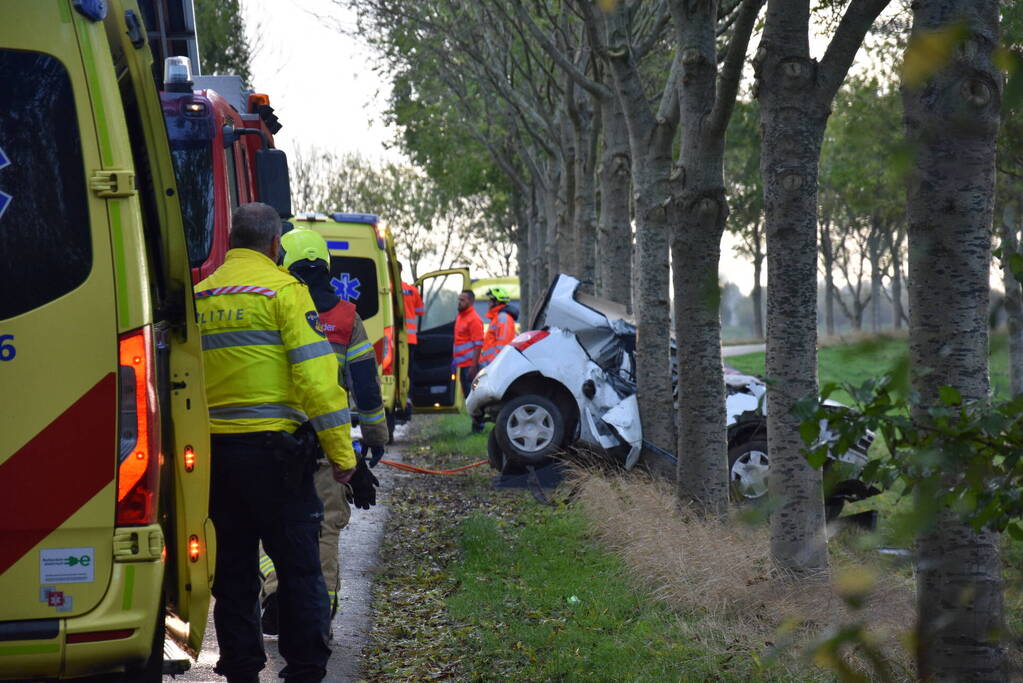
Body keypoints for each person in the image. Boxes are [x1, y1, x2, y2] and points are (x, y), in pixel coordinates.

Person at [194, 203, 356, 683]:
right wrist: (342, 456)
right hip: (277, 457)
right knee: (300, 567)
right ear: (273, 246)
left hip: (215, 459)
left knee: (235, 572)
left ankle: (241, 667)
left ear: (229, 241)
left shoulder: (200, 296)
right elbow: (317, 381)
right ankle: (304, 670)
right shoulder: (286, 292)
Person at [258, 227, 386, 636]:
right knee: (327, 524)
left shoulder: (277, 307)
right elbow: (365, 387)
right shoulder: (348, 319)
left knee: (273, 521)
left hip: (275, 437)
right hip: (328, 439)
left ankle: (276, 589)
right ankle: (320, 610)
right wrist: (374, 438)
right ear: (326, 267)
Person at [454, 289, 485, 431]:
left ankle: (479, 425)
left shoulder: (474, 319)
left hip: (470, 366)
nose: (460, 302)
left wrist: (473, 367)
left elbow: (478, 345)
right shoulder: (461, 317)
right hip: (462, 365)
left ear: (471, 302)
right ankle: (476, 424)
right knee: (468, 398)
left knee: (473, 398)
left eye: (463, 300)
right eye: (459, 299)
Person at [479, 286, 517, 369]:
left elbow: (503, 345)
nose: (488, 303)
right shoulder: (497, 318)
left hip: (494, 365)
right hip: (490, 364)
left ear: (497, 302)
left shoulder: (503, 318)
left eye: (490, 300)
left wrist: (492, 363)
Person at [401, 275, 425, 390]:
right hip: (410, 338)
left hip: (396, 337)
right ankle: (409, 396)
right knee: (409, 370)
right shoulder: (412, 290)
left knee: (398, 370)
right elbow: (420, 311)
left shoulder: (389, 287)